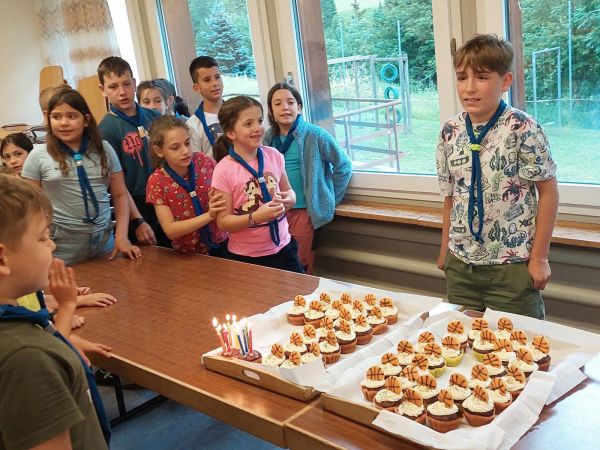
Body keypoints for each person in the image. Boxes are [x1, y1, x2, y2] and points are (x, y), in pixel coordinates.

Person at [436, 34, 558, 319]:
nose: (469, 88)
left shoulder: (523, 128)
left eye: (481, 77)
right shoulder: (449, 131)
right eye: (461, 77)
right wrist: (445, 250)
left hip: (511, 266)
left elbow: (549, 193)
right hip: (461, 266)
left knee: (518, 347)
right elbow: (450, 196)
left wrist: (539, 258)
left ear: (505, 82)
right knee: (465, 346)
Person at [0, 174, 110, 448]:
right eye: (43, 238)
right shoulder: (27, 358)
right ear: (2, 259)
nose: (52, 245)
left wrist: (67, 308)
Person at [21, 88, 140, 265]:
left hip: (104, 242)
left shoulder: (105, 149)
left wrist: (122, 236)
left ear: (86, 120)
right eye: (56, 117)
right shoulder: (38, 155)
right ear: (48, 119)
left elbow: (120, 195)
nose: (64, 123)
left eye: (71, 116)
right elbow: (29, 205)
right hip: (61, 246)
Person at [264, 82, 352, 274]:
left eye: (290, 102)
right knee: (278, 266)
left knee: (301, 266)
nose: (285, 107)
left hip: (304, 213)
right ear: (270, 111)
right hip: (275, 213)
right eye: (277, 103)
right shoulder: (267, 139)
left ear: (299, 107)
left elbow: (343, 165)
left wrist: (328, 198)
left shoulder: (315, 134)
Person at [211, 96, 303, 273]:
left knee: (298, 298)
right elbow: (223, 222)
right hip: (247, 257)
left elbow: (288, 190)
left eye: (260, 121)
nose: (258, 128)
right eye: (248, 124)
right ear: (231, 133)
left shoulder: (274, 155)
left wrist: (290, 199)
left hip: (285, 247)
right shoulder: (224, 170)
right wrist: (255, 217)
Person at [96, 56, 167, 248]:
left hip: (166, 198)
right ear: (102, 90)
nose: (122, 92)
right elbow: (116, 184)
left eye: (126, 84)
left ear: (134, 84)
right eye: (113, 86)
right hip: (137, 204)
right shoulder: (106, 130)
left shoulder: (153, 116)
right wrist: (137, 220)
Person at [146, 115, 228, 256]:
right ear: (159, 151)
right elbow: (170, 230)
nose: (185, 151)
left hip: (223, 244)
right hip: (187, 254)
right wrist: (209, 216)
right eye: (175, 147)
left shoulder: (204, 161)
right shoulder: (157, 181)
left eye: (187, 143)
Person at [186, 56, 224, 158]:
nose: (215, 83)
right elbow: (197, 162)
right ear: (197, 88)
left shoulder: (238, 113)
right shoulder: (192, 125)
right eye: (207, 80)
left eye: (217, 77)